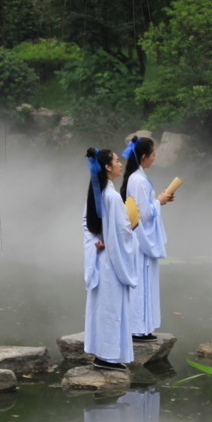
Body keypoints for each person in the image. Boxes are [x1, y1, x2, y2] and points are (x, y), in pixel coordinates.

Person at [83, 147, 138, 371]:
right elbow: (122, 231)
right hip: (112, 263)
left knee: (104, 308)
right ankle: (106, 357)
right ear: (107, 167)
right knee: (111, 310)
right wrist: (134, 224)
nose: (120, 164)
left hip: (102, 260)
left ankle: (104, 355)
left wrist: (96, 241)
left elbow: (88, 225)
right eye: (116, 161)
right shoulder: (112, 196)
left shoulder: (98, 193)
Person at [119, 136, 173, 341]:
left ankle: (142, 327)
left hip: (138, 238)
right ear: (143, 157)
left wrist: (159, 201)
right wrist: (158, 201)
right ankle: (137, 329)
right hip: (140, 240)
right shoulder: (139, 180)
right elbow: (144, 213)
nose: (155, 158)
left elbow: (142, 207)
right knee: (140, 283)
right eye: (153, 154)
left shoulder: (136, 177)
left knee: (143, 282)